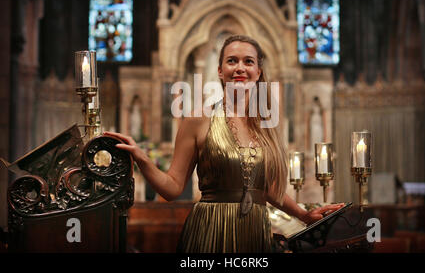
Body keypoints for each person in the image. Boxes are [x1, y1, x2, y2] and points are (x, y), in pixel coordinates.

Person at [105, 35, 344, 253]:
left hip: (254, 232)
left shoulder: (267, 126)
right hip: (210, 230)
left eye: (248, 62)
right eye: (232, 61)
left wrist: (304, 215)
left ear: (258, 72)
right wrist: (142, 159)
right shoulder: (198, 120)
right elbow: (172, 188)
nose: (240, 68)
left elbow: (268, 188)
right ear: (220, 71)